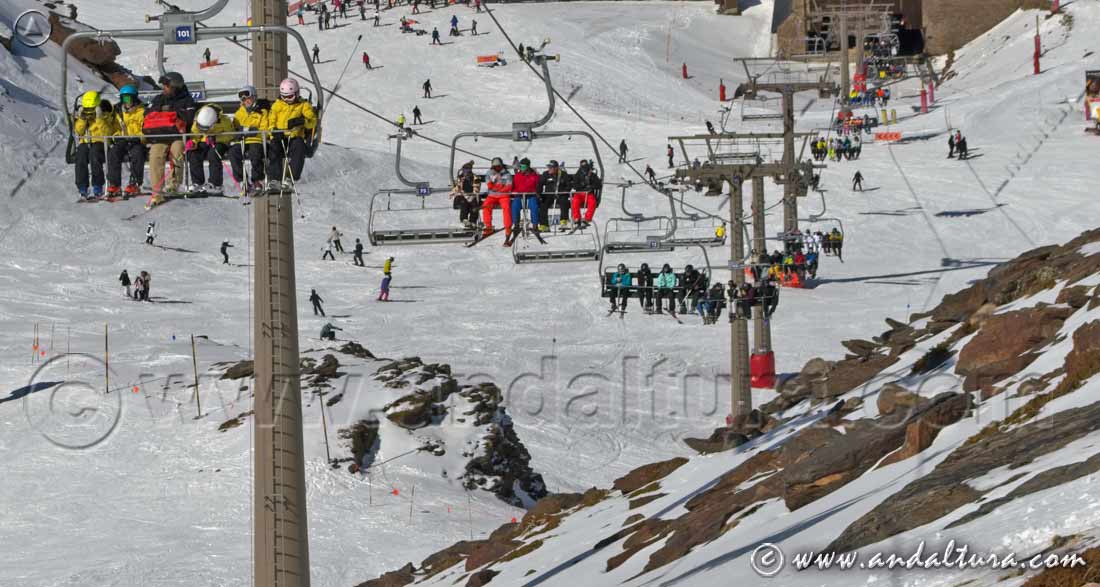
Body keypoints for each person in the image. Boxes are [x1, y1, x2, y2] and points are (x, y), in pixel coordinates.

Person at [144, 72, 197, 204]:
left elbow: (189, 117)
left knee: (177, 150)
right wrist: (163, 112)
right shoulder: (159, 98)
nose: (164, 88)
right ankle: (157, 192)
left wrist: (170, 113)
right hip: (161, 135)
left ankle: (173, 184)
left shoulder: (187, 100)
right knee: (155, 154)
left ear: (175, 87)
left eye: (166, 86)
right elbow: (148, 113)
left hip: (178, 135)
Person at [267, 78, 317, 189]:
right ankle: (275, 178)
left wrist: (302, 121)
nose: (287, 99)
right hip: (280, 135)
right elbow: (270, 121)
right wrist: (274, 131)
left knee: (299, 147)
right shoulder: (277, 105)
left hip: (295, 136)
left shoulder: (303, 105)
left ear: (297, 93)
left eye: (290, 96)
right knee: (274, 148)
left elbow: (313, 121)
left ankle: (292, 177)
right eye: (284, 96)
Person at [72, 91, 118, 200]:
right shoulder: (84, 117)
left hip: (101, 142)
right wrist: (82, 119)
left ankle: (98, 186)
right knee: (81, 155)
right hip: (86, 142)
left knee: (94, 153)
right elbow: (79, 131)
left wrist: (99, 119)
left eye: (91, 109)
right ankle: (82, 187)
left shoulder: (106, 114)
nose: (89, 113)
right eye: (87, 110)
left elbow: (107, 132)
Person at [229, 85, 272, 194]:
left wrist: (249, 131)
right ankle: (242, 180)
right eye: (243, 99)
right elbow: (235, 129)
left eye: (248, 98)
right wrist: (247, 130)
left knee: (255, 153)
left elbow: (264, 128)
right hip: (242, 140)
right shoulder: (239, 113)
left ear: (254, 97)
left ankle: (257, 180)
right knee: (233, 152)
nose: (245, 101)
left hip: (256, 140)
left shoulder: (262, 112)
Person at [187, 104, 237, 195]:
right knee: (194, 154)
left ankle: (215, 184)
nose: (204, 130)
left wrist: (215, 138)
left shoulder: (224, 120)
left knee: (213, 154)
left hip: (220, 142)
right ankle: (197, 183)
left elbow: (231, 135)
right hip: (204, 140)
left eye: (207, 128)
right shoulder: (200, 117)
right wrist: (193, 141)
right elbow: (195, 133)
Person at [107, 85, 146, 197]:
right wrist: (116, 136)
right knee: (114, 152)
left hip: (137, 140)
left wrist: (139, 137)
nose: (126, 102)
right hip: (123, 140)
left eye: (129, 99)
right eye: (124, 99)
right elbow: (114, 128)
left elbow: (146, 129)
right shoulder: (118, 112)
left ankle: (135, 183)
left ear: (134, 98)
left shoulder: (142, 112)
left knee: (137, 153)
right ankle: (115, 184)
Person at [480, 157, 513, 240]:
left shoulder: (507, 174)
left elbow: (508, 187)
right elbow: (490, 185)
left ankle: (508, 228)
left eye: (498, 166)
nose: (497, 168)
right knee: (486, 205)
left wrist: (498, 188)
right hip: (492, 196)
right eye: (495, 167)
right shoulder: (489, 173)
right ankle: (488, 226)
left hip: (504, 195)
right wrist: (500, 186)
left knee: (506, 208)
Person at [509, 158, 540, 241]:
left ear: (527, 167)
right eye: (520, 166)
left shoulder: (534, 176)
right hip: (519, 195)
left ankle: (535, 225)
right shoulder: (517, 175)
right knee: (515, 205)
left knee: (534, 206)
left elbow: (538, 187)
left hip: (530, 195)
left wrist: (536, 192)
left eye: (523, 167)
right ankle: (516, 224)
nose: (521, 168)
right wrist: (515, 192)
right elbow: (513, 188)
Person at [536, 159, 571, 230]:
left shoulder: (563, 174)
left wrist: (563, 191)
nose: (549, 169)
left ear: (556, 168)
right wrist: (538, 193)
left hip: (560, 194)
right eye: (548, 167)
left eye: (551, 167)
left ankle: (563, 221)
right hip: (549, 194)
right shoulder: (546, 174)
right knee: (543, 204)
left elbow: (569, 185)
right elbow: (540, 184)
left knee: (564, 202)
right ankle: (544, 225)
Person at [570, 160, 601, 228]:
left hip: (589, 193)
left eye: (585, 166)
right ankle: (577, 218)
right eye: (583, 167)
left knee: (592, 202)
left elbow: (598, 184)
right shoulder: (577, 175)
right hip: (579, 193)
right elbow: (574, 185)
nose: (584, 168)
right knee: (575, 201)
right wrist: (582, 185)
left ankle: (587, 218)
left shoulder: (592, 175)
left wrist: (591, 187)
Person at [453, 161, 481, 228]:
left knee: (474, 204)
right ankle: (464, 219)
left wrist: (471, 195)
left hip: (472, 195)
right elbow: (457, 188)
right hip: (462, 196)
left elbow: (477, 188)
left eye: (467, 170)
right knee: (464, 203)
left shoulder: (475, 178)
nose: (466, 172)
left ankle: (473, 220)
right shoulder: (460, 178)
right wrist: (459, 192)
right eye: (464, 170)